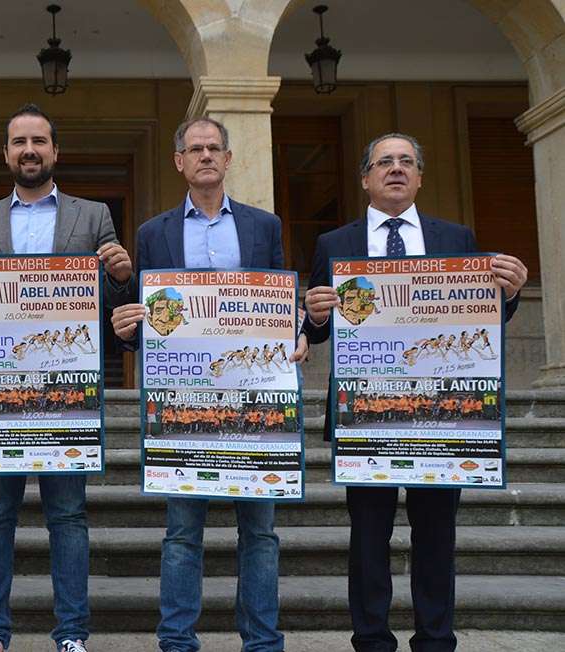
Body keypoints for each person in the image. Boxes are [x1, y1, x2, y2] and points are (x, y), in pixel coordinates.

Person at [0, 103, 134, 652]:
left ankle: (72, 635)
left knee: (68, 516)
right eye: (19, 142)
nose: (29, 150)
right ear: (7, 152)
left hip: (67, 392)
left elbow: (111, 308)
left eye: (39, 141)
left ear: (55, 151)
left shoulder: (94, 216)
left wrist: (121, 279)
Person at [302, 133, 528, 652]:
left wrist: (510, 293)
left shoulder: (456, 237)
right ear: (366, 178)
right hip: (368, 415)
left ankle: (434, 639)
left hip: (441, 415)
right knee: (368, 541)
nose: (396, 170)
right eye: (385, 162)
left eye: (407, 162)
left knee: (435, 538)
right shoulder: (334, 244)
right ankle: (372, 639)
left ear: (421, 177)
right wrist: (312, 315)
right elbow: (317, 327)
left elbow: (484, 314)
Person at [110, 117, 307, 652]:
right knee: (181, 533)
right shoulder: (154, 233)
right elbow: (149, 322)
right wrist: (127, 331)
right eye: (194, 149)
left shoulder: (264, 226)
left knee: (260, 533)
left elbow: (279, 304)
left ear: (227, 158)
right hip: (183, 407)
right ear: (179, 161)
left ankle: (262, 641)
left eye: (213, 148)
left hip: (256, 403)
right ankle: (176, 639)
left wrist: (296, 332)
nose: (204, 156)